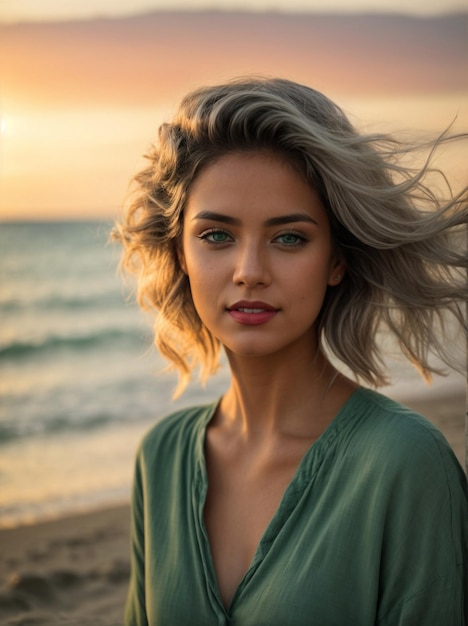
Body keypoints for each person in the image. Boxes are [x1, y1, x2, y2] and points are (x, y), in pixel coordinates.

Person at [114, 77, 468, 625]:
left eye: (289, 238)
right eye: (215, 235)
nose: (249, 272)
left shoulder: (404, 463)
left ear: (336, 260)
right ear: (179, 252)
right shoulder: (159, 459)